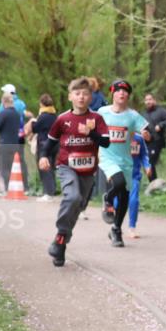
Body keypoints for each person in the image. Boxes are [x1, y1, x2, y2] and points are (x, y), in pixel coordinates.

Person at [39, 77, 110, 267]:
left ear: (90, 97)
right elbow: (50, 142)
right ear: (70, 96)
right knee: (72, 197)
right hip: (66, 166)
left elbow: (106, 142)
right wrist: (44, 157)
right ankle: (61, 234)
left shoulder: (96, 119)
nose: (81, 97)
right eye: (77, 93)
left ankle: (60, 243)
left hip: (88, 170)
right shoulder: (62, 119)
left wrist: (91, 134)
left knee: (77, 206)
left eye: (85, 94)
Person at [97, 79, 151, 247]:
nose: (122, 93)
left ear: (128, 95)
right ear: (113, 93)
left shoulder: (133, 115)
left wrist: (146, 135)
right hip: (107, 157)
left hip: (126, 160)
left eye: (125, 91)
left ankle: (116, 230)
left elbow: (145, 130)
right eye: (119, 90)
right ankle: (108, 198)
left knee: (125, 196)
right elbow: (93, 128)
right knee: (118, 183)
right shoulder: (102, 112)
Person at [0, 92, 22, 193]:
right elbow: (6, 121)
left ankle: (7, 189)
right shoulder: (16, 113)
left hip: (5, 144)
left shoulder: (4, 113)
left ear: (3, 101)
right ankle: (13, 187)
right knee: (13, 167)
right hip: (15, 144)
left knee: (4, 167)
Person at [142, 92, 166, 181]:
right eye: (146, 100)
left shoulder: (161, 111)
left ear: (154, 100)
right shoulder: (143, 114)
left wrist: (161, 125)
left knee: (150, 161)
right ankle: (153, 183)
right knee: (147, 163)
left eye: (150, 99)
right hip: (146, 142)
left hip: (157, 141)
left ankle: (154, 184)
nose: (148, 102)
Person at [30, 94, 58, 200]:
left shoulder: (43, 116)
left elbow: (35, 129)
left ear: (41, 104)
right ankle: (52, 190)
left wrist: (33, 122)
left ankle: (48, 193)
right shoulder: (54, 115)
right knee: (51, 168)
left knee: (44, 168)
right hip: (55, 144)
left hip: (44, 144)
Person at [124, 132, 151, 238]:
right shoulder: (117, 136)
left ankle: (132, 228)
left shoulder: (139, 138)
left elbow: (144, 154)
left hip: (134, 175)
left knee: (134, 200)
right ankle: (117, 225)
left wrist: (147, 166)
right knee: (118, 202)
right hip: (119, 174)